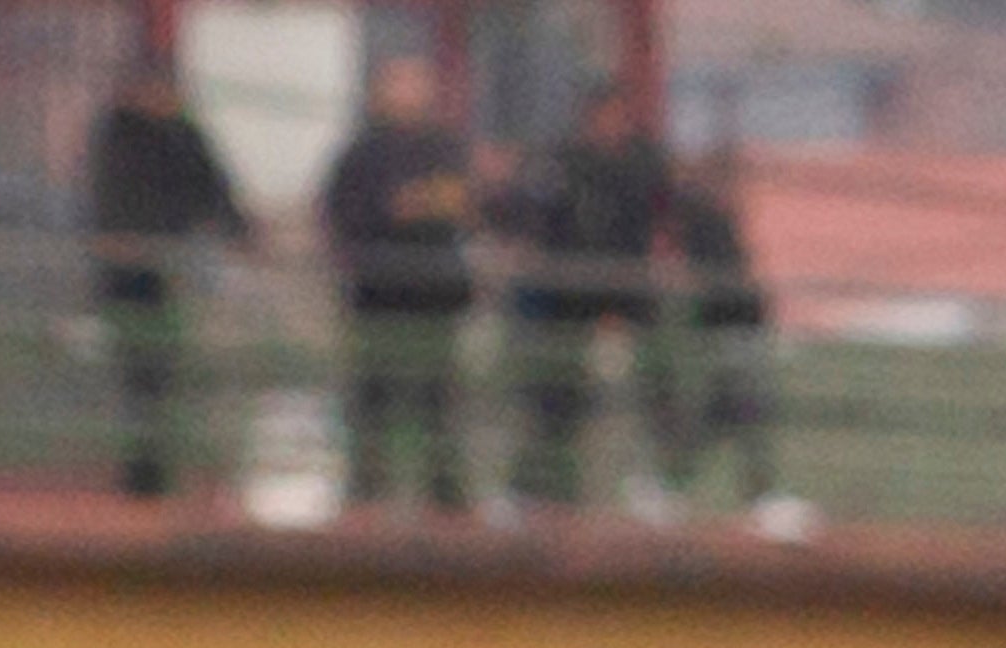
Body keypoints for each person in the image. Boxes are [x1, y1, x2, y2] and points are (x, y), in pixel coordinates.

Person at [497, 78, 672, 510]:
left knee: (656, 387)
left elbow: (664, 218)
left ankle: (656, 484)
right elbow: (530, 217)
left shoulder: (644, 161)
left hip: (629, 290)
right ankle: (537, 488)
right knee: (556, 395)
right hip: (568, 293)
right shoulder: (561, 161)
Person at [84, 50, 250, 499]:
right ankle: (143, 479)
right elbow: (107, 199)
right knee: (140, 374)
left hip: (176, 274)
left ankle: (177, 475)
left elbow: (215, 187)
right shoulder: (118, 135)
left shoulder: (183, 134)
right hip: (131, 276)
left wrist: (239, 230)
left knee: (172, 374)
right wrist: (123, 240)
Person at [319, 57, 481, 514]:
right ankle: (367, 489)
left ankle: (446, 493)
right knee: (374, 390)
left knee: (439, 393)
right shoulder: (361, 151)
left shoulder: (444, 147)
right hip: (379, 290)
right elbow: (341, 214)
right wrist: (392, 209)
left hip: (435, 290)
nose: (409, 92)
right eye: (399, 83)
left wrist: (441, 204)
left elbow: (468, 203)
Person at [649, 155, 790, 526]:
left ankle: (676, 486)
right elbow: (713, 281)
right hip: (724, 331)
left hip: (737, 329)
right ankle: (676, 486)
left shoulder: (717, 222)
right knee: (731, 412)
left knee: (730, 414)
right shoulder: (703, 220)